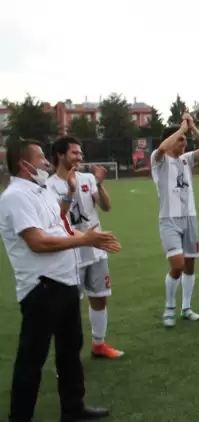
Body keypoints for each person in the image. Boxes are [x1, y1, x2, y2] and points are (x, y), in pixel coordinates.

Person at [1, 139, 119, 422]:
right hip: (41, 287)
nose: (46, 162)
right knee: (32, 358)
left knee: (70, 350)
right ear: (24, 164)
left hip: (64, 283)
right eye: (40, 157)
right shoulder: (15, 196)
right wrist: (85, 240)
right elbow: (37, 242)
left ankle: (73, 408)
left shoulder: (41, 192)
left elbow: (62, 228)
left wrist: (91, 238)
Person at [47, 136, 124, 359]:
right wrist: (70, 192)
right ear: (60, 155)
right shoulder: (49, 186)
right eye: (74, 153)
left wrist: (99, 184)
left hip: (96, 247)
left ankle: (99, 344)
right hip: (70, 251)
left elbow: (106, 207)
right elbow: (57, 219)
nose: (79, 157)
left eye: (80, 153)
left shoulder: (87, 178)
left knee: (100, 297)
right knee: (69, 306)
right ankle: (67, 358)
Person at [151, 112, 199, 327]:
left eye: (185, 140)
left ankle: (186, 308)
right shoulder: (158, 160)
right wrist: (181, 128)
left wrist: (192, 128)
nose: (184, 143)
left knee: (190, 265)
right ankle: (169, 308)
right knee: (177, 265)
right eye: (180, 140)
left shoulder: (187, 159)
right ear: (170, 141)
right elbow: (162, 148)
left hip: (190, 218)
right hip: (169, 219)